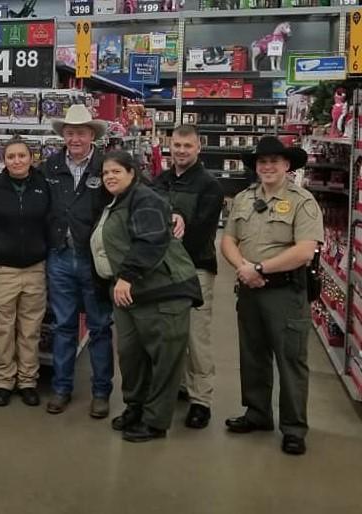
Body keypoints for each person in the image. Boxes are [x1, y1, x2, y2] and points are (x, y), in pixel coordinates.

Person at [91, 151, 202, 442]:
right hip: (131, 295)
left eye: (116, 171)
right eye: (105, 173)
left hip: (162, 292)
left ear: (132, 173)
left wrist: (126, 276)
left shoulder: (145, 199)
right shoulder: (117, 202)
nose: (110, 177)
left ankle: (155, 421)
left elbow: (151, 240)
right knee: (131, 355)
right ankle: (135, 406)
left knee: (164, 358)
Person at [221, 136, 323, 456]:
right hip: (249, 289)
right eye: (262, 162)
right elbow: (228, 239)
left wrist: (260, 268)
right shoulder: (243, 198)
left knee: (290, 360)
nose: (267, 167)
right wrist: (243, 268)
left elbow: (306, 250)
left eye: (274, 161)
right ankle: (257, 413)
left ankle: (293, 427)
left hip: (286, 293)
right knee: (252, 355)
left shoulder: (302, 201)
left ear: (286, 165)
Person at [40, 104, 114, 418]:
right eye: (70, 133)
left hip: (94, 259)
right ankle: (61, 388)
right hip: (59, 257)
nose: (75, 138)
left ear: (92, 135)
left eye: (81, 132)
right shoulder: (50, 166)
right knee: (63, 326)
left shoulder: (108, 166)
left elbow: (133, 196)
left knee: (99, 327)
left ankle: (101, 393)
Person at [152, 125, 224, 429]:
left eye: (187, 146)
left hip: (196, 268)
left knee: (197, 336)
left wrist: (168, 233)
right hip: (163, 270)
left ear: (198, 149)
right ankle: (179, 386)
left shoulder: (210, 186)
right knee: (171, 332)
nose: (181, 151)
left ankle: (201, 400)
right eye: (177, 145)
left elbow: (199, 233)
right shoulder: (161, 180)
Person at [0, 137, 50, 407]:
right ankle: (4, 381)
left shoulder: (43, 185)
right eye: (11, 156)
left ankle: (28, 381)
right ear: (4, 160)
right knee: (2, 330)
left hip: (34, 268)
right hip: (1, 270)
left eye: (22, 155)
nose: (17, 161)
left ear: (31, 158)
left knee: (30, 329)